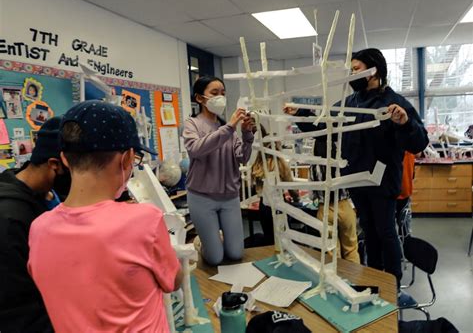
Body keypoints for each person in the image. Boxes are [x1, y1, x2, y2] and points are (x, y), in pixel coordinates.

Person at [286, 48, 429, 304]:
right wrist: (300, 115)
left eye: (357, 68)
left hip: (382, 181)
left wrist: (405, 122)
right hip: (356, 180)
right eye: (351, 69)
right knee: (369, 233)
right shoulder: (350, 103)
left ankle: (392, 283)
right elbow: (323, 124)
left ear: (375, 70)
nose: (352, 74)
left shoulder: (394, 103)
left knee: (386, 231)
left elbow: (418, 143)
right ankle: (373, 279)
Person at [28, 100, 183, 332]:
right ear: (127, 159)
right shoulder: (145, 220)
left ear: (65, 159)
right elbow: (174, 281)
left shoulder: (38, 228)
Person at [0, 116, 69, 333]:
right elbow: (17, 310)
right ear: (54, 165)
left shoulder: (43, 195)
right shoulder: (10, 218)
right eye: (76, 170)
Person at [183, 76, 255, 266]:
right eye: (214, 93)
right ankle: (202, 243)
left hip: (229, 196)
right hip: (201, 197)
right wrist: (230, 127)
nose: (220, 98)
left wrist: (247, 134)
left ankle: (215, 240)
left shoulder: (227, 129)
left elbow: (243, 157)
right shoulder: (192, 124)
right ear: (199, 98)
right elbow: (196, 149)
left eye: (223, 93)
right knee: (215, 258)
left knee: (235, 253)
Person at [283, 108, 360, 264]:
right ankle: (355, 282)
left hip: (325, 208)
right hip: (345, 206)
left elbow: (312, 193)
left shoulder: (316, 164)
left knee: (332, 252)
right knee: (351, 248)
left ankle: (337, 281)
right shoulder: (342, 158)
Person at [251, 125, 299, 246]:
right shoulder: (281, 165)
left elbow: (256, 188)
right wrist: (296, 199)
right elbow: (292, 189)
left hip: (264, 206)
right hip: (278, 205)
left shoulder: (257, 165)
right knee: (281, 240)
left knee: (268, 239)